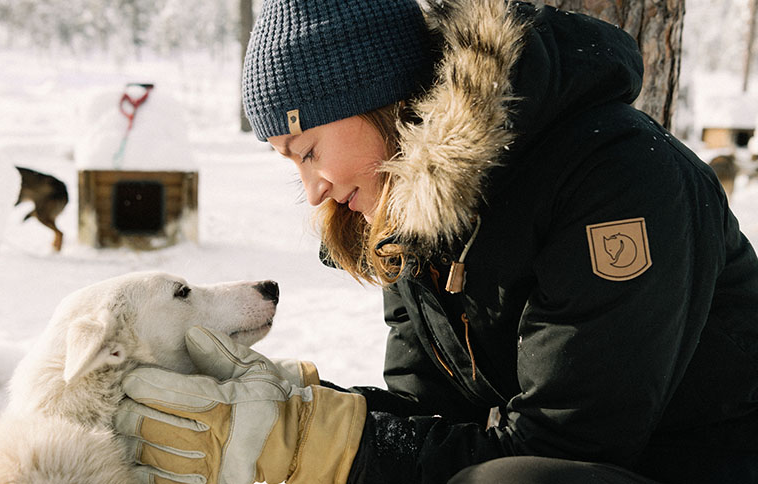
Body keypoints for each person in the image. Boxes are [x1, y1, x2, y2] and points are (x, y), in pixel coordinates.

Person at [113, 0, 758, 483]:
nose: (312, 189)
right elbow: (427, 415)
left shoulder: (616, 182)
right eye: (291, 164)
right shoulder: (409, 211)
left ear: (379, 100)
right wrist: (297, 415)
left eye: (308, 151)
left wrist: (344, 450)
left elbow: (570, 446)